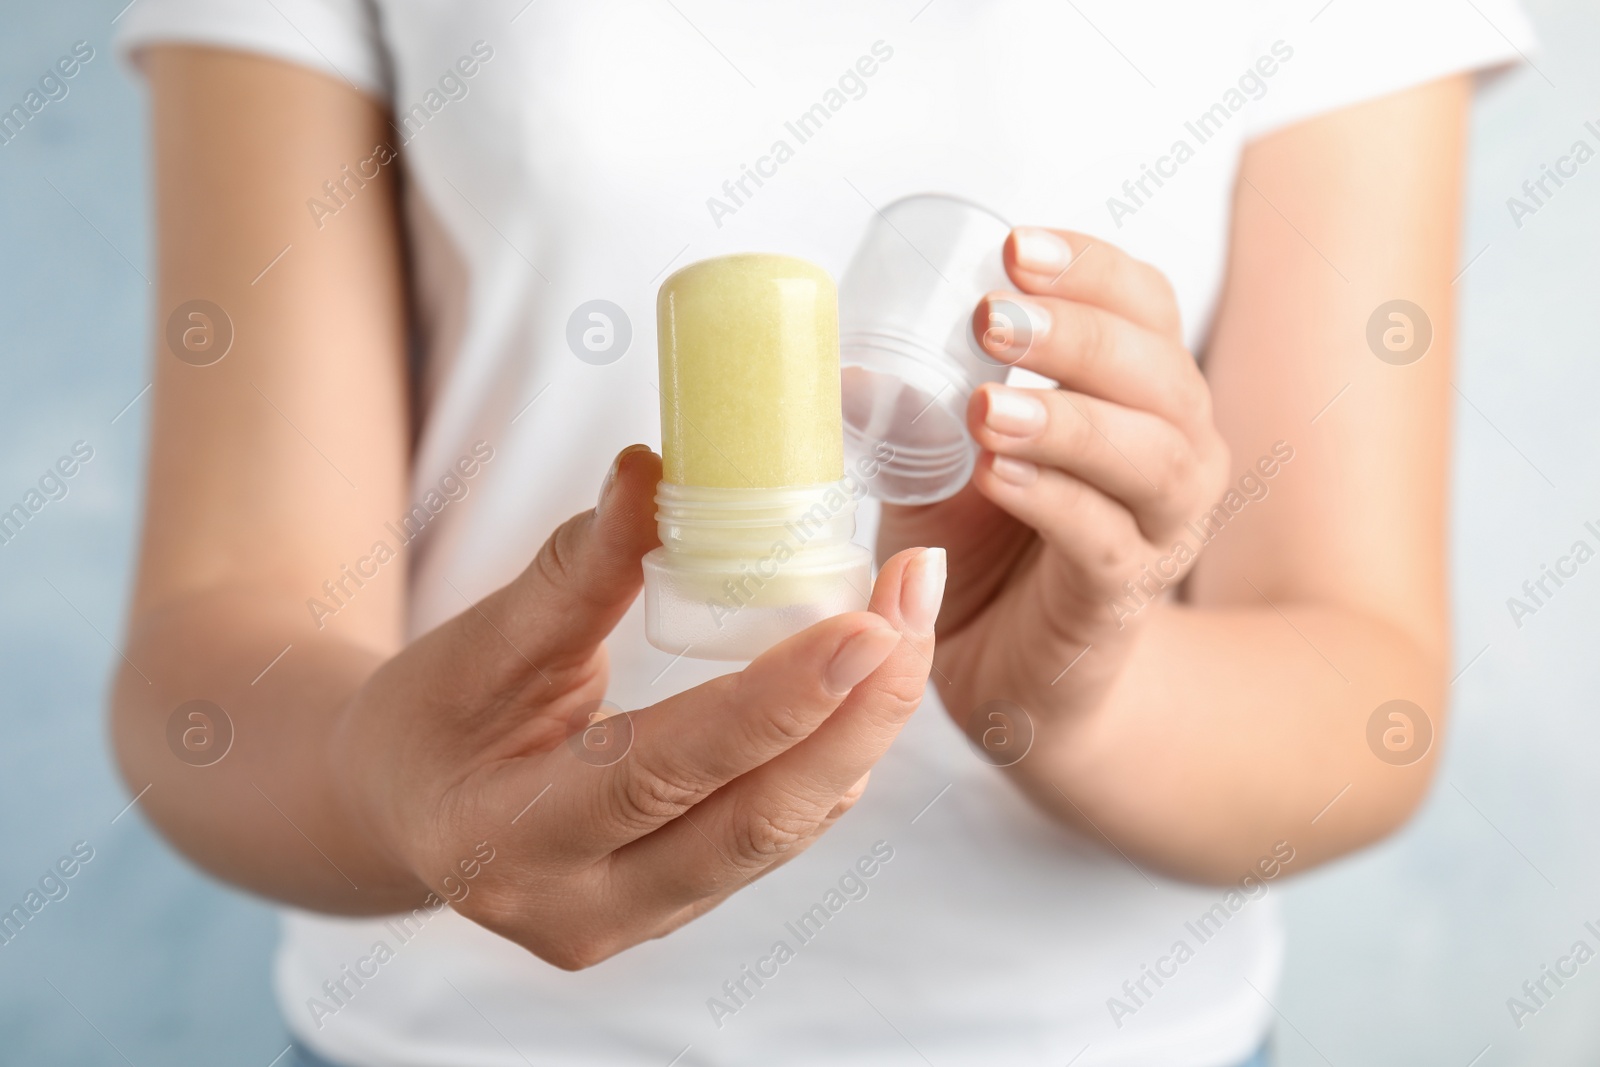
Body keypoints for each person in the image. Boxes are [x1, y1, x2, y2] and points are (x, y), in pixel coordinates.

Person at [110, 2, 1533, 1064]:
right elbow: (215, 649)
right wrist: (392, 795)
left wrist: (1073, 689)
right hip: (455, 1035)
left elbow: (1368, 700)